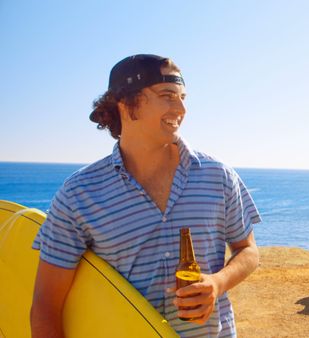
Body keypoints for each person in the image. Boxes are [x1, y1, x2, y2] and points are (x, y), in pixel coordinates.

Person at [30, 54, 261, 337]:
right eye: (167, 95)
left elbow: (248, 249)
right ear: (127, 104)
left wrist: (218, 282)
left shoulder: (218, 175)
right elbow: (45, 306)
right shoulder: (79, 193)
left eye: (183, 97)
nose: (182, 108)